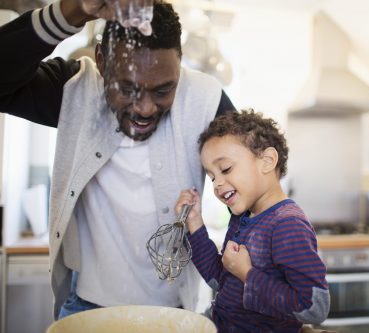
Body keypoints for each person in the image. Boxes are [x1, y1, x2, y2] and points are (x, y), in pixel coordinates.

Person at [0, 0, 235, 320]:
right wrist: (68, 13)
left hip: (173, 313)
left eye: (164, 90)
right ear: (100, 61)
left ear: (179, 65)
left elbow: (252, 184)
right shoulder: (74, 91)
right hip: (85, 308)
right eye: (127, 88)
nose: (145, 109)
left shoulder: (205, 100)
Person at [175, 110, 330, 333]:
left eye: (225, 169)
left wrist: (248, 274)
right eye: (212, 177)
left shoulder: (288, 226)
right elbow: (221, 279)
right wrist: (194, 221)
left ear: (267, 161)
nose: (217, 184)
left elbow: (313, 308)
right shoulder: (242, 218)